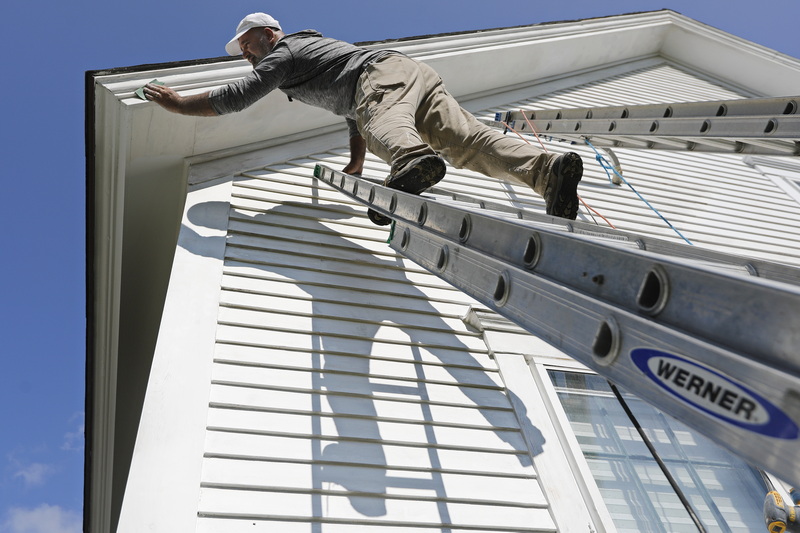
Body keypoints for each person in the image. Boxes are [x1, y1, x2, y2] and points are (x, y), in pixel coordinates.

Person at [144, 12, 584, 224]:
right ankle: (546, 173)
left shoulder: (285, 52)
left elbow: (237, 97)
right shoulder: (312, 57)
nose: (245, 52)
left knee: (384, 125)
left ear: (268, 32)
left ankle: (411, 158)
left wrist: (180, 104)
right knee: (467, 142)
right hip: (408, 74)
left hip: (380, 76)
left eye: (246, 42)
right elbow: (357, 113)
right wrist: (356, 162)